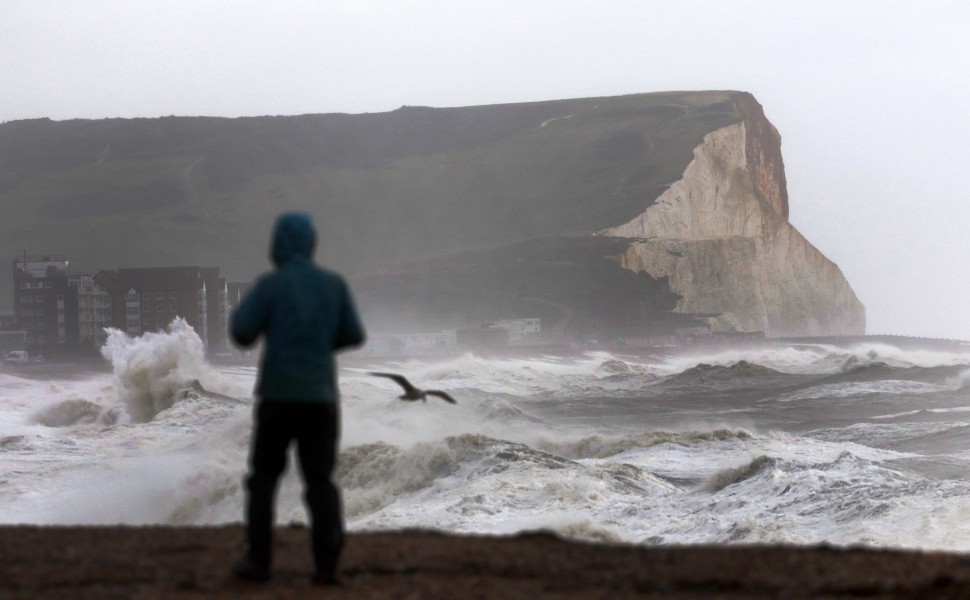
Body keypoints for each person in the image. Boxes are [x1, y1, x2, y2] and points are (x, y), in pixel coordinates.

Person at [230, 212, 365, 584]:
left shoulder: (270, 285)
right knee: (320, 481)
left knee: (264, 480)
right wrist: (321, 343)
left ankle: (259, 564)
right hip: (321, 399)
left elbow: (241, 332)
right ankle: (327, 568)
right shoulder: (333, 285)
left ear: (277, 244)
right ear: (312, 242)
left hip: (277, 397)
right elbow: (354, 334)